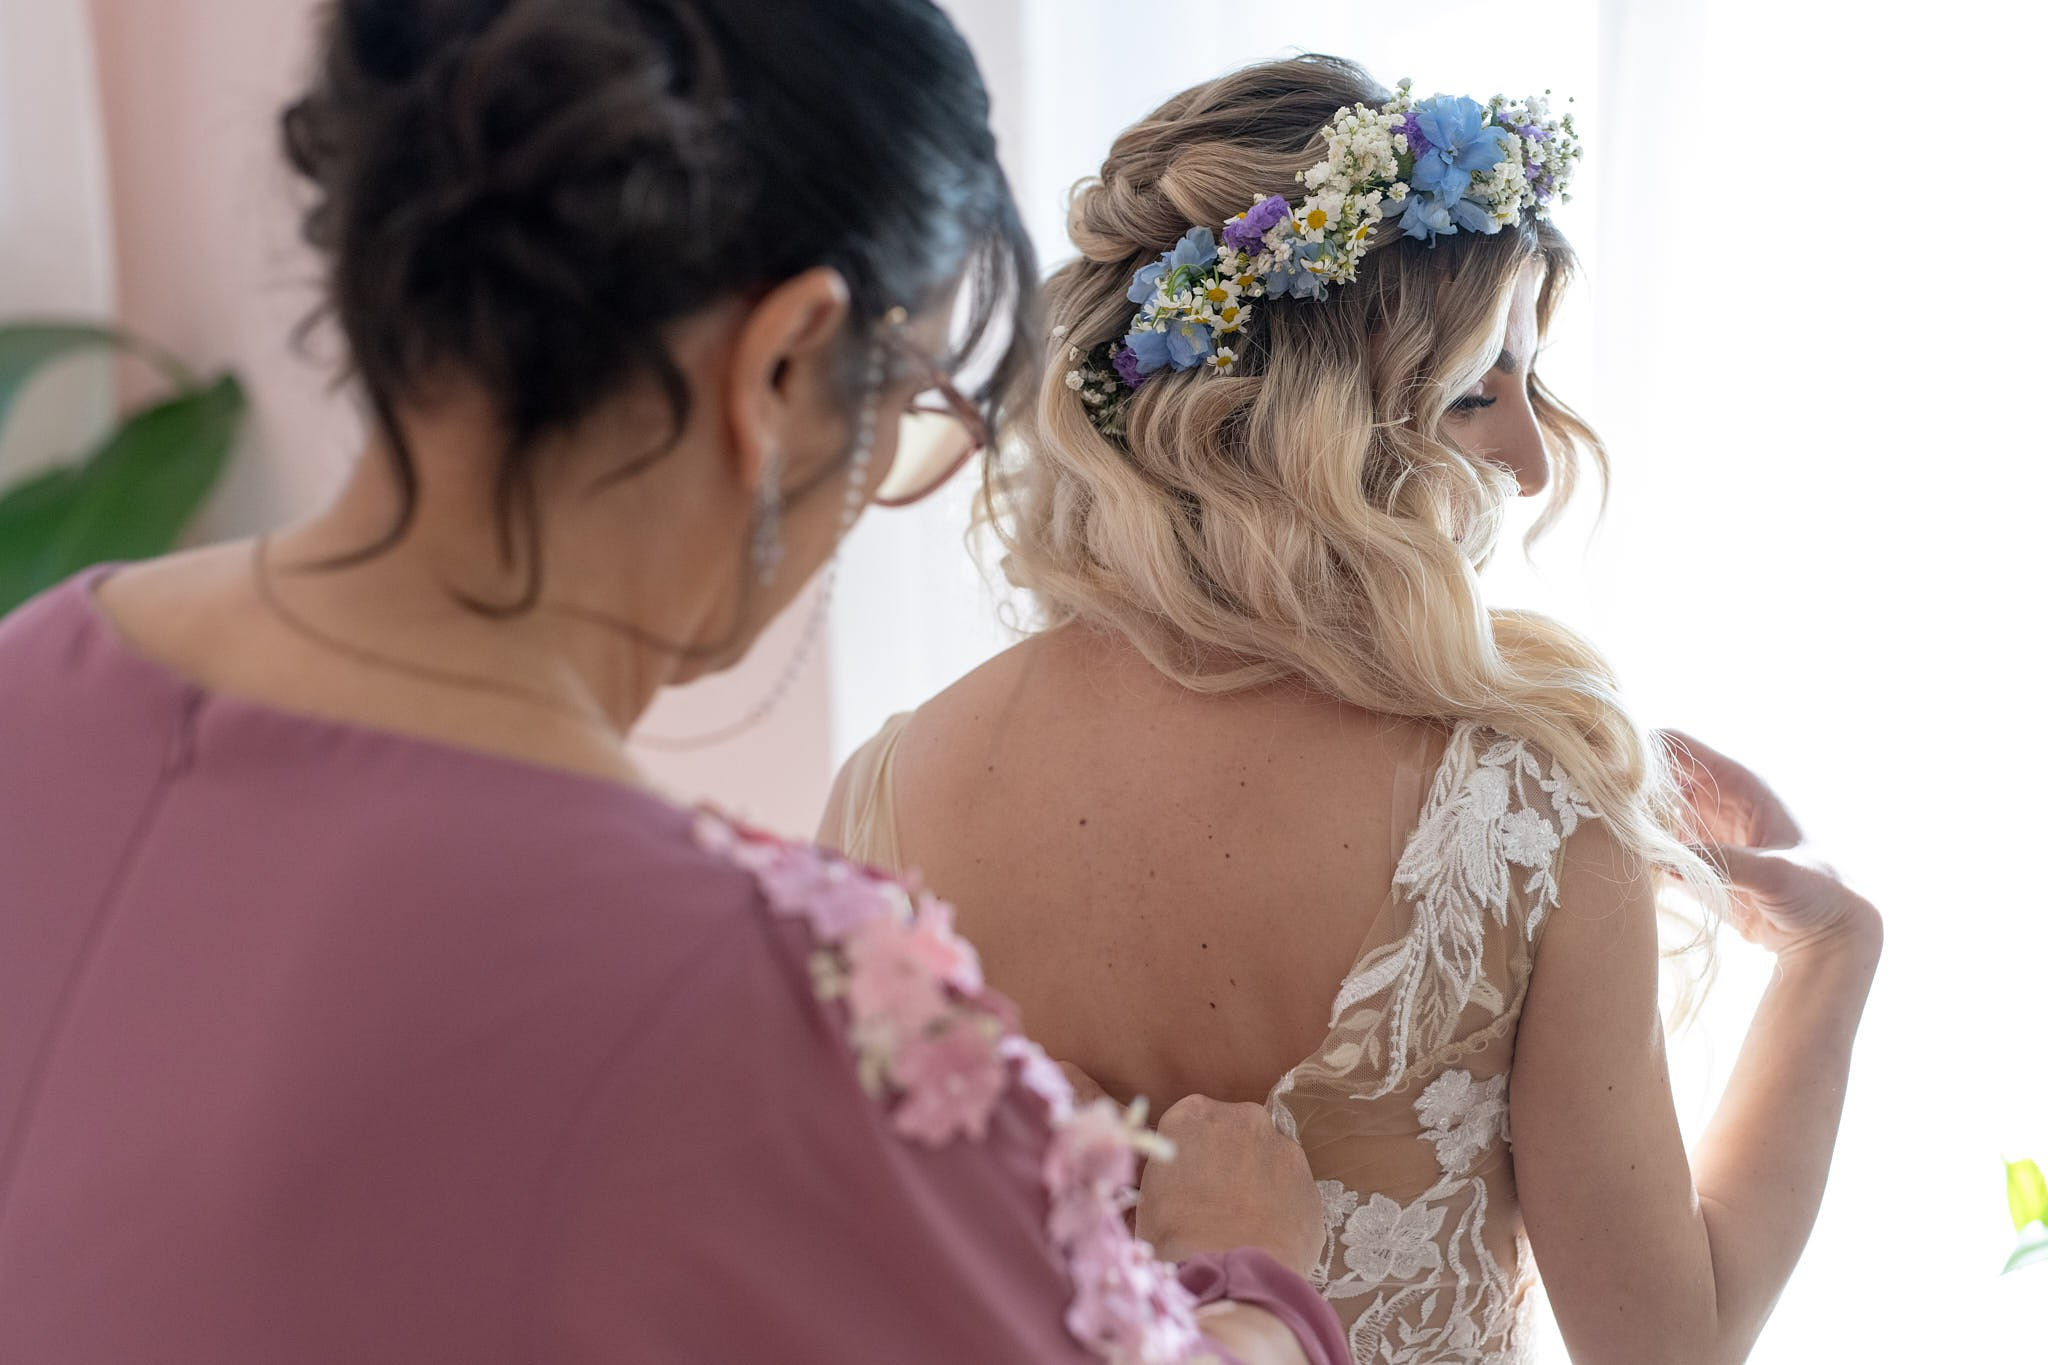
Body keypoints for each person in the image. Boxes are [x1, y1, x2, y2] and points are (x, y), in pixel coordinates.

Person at [0, 4, 1352, 1363]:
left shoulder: (34, 668)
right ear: (777, 364)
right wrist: (1250, 1286)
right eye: (906, 406)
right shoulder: (784, 1003)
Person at [824, 56, 1883, 1365]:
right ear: (1308, 418)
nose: (1535, 459)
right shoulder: (1526, 801)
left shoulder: (882, 791)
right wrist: (1831, 965)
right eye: (1475, 393)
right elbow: (1668, 1345)